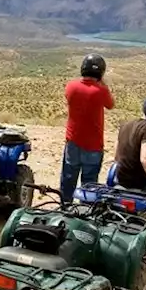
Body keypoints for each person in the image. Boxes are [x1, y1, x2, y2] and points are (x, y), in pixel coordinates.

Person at [60, 53, 114, 203]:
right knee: (89, 186)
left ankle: (65, 208)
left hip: (73, 142)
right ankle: (85, 214)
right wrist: (102, 83)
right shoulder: (101, 91)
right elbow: (111, 105)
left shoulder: (71, 86)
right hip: (93, 145)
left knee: (68, 180)